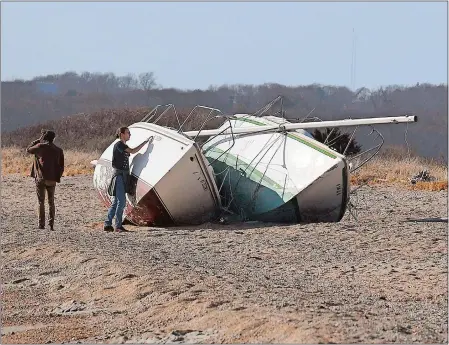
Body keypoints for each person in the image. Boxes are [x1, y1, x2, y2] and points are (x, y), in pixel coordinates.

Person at [104, 127, 153, 233]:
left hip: (120, 176)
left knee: (116, 202)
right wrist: (145, 143)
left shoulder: (121, 145)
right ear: (121, 134)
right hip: (119, 176)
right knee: (121, 202)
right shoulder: (119, 144)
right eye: (128, 133)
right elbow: (133, 151)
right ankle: (117, 226)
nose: (129, 135)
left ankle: (108, 224)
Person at [26, 129, 65, 230]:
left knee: (41, 202)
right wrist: (57, 176)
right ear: (53, 138)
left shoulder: (40, 147)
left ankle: (41, 224)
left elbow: (28, 149)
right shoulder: (59, 150)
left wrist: (38, 140)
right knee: (51, 202)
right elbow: (61, 166)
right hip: (52, 179)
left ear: (45, 138)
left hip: (41, 178)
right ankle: (51, 224)